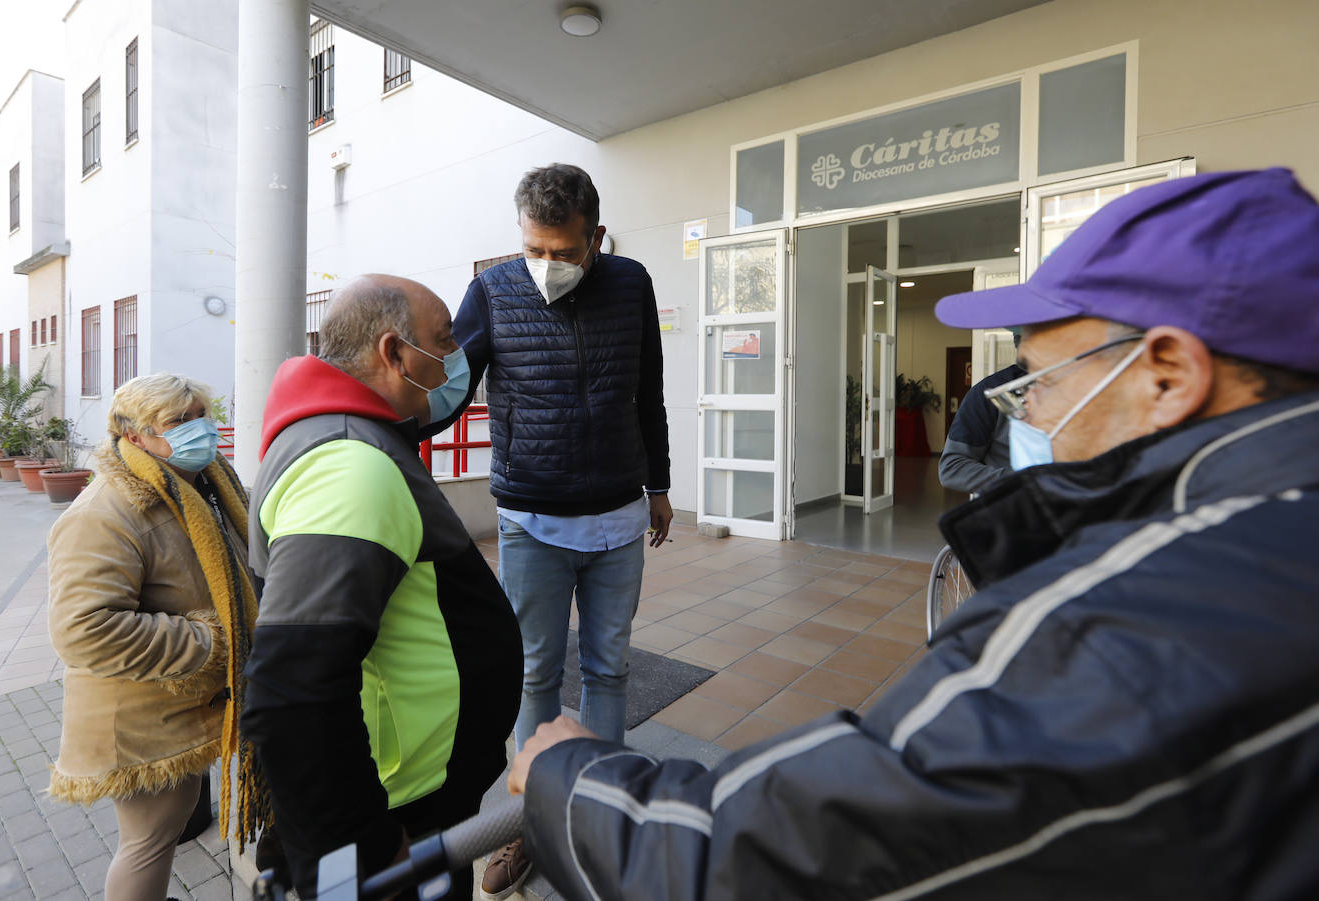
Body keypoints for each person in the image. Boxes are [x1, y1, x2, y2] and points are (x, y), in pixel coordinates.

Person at [504, 168, 1319, 899]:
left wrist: (567, 780)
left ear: (1168, 373)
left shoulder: (1132, 622)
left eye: (1040, 380)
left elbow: (773, 859)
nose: (1029, 412)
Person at [241, 275, 522, 898]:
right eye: (444, 340)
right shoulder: (350, 466)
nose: (458, 358)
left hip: (405, 795)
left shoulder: (348, 436)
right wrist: (366, 851)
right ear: (394, 353)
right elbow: (292, 694)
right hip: (393, 813)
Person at [448, 163, 672, 898]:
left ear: (595, 237)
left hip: (616, 515)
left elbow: (651, 392)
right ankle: (526, 824)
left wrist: (660, 486)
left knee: (609, 668)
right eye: (533, 249)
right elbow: (449, 384)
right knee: (535, 671)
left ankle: (599, 816)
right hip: (532, 519)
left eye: (564, 252)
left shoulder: (631, 283)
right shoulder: (492, 290)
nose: (546, 266)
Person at [47, 373, 267, 901]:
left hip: (182, 702)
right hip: (140, 715)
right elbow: (83, 628)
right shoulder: (105, 512)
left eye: (201, 416)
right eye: (178, 421)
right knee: (149, 838)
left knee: (165, 828)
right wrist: (212, 641)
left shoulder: (204, 482)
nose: (200, 431)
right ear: (135, 436)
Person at [937, 335, 1023, 494]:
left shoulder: (1078, 390)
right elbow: (952, 467)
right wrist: (1021, 483)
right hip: (1007, 510)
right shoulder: (991, 391)